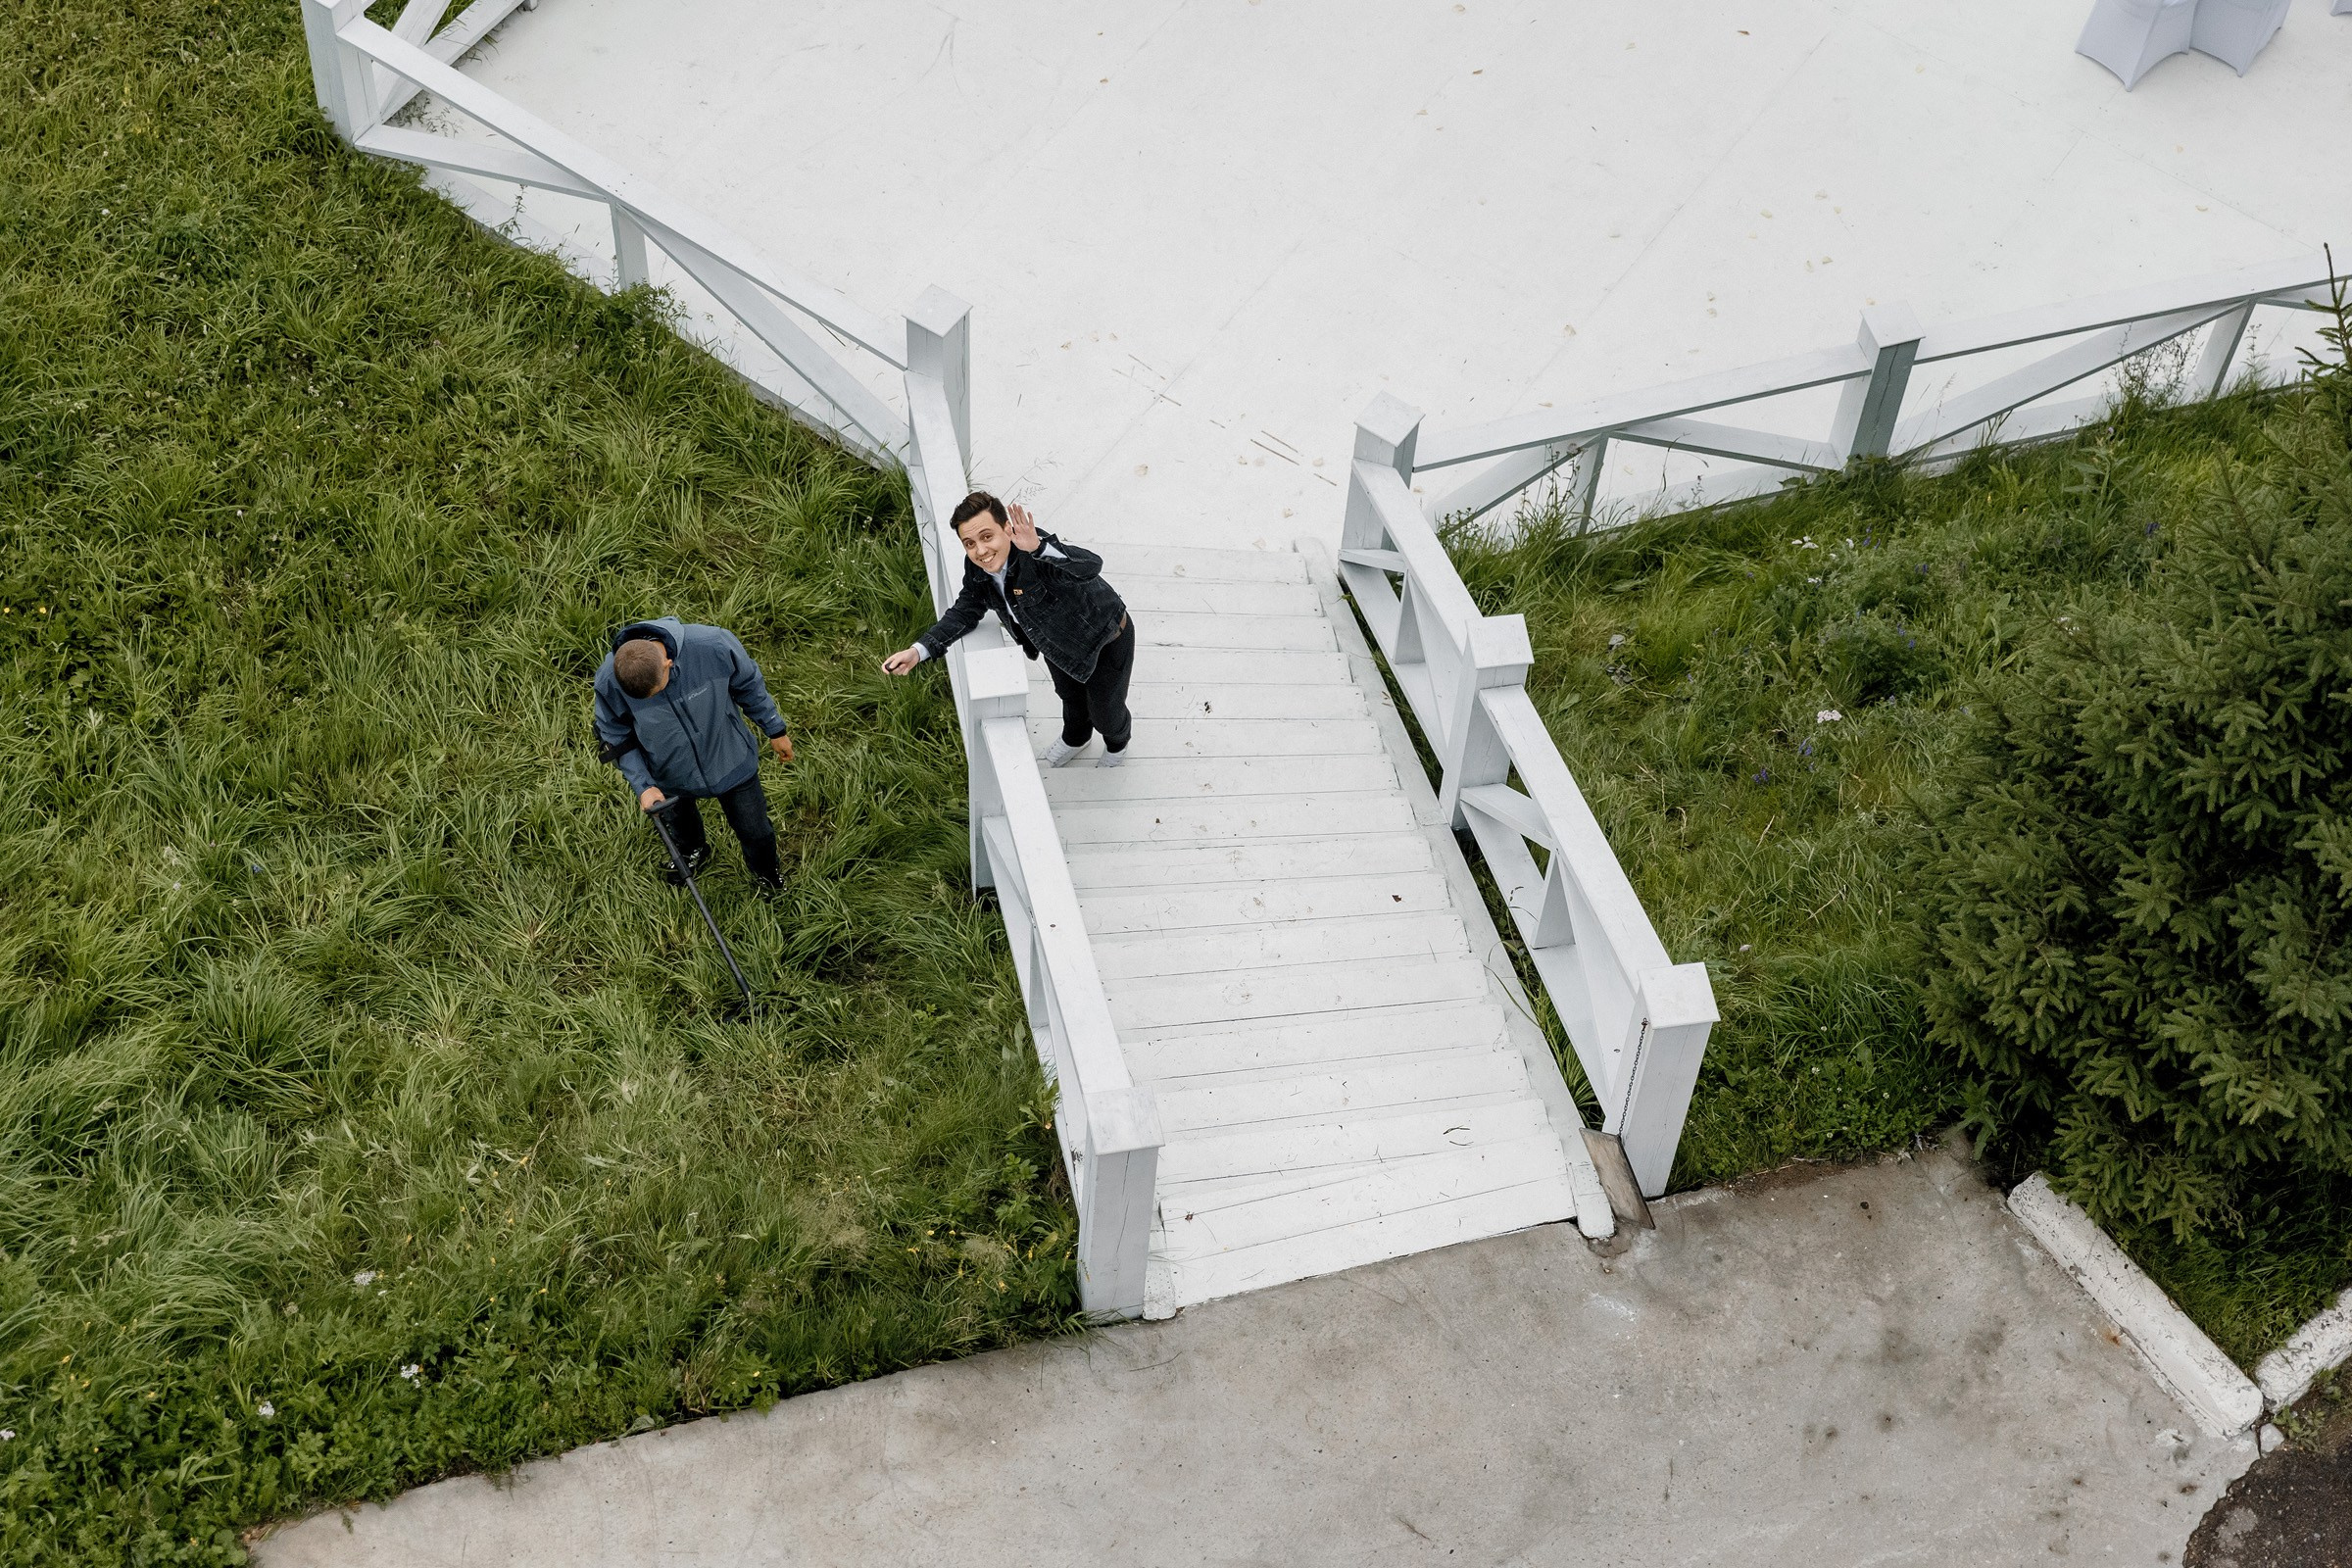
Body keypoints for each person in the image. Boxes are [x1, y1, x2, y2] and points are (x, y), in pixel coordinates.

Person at [881, 493, 1135, 767]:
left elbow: (1090, 566)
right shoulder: (978, 569)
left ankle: (1117, 744)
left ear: (1006, 529)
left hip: (1104, 638)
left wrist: (1039, 547)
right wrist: (919, 651)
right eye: (970, 543)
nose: (980, 551)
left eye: (987, 537)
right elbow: (966, 610)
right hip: (1054, 642)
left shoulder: (1034, 551)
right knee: (1070, 698)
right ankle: (1076, 738)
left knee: (1105, 711)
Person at [593, 616, 794, 891]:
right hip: (668, 772)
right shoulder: (608, 679)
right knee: (680, 825)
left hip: (730, 758)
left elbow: (749, 685)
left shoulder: (713, 645)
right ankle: (692, 851)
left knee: (755, 831)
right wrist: (643, 787)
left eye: (655, 692)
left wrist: (775, 730)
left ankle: (768, 874)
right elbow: (615, 737)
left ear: (668, 664)